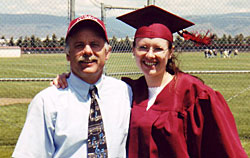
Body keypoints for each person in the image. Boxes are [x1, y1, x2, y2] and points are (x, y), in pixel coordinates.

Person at [52, 5, 248, 158]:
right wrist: (67, 79)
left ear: (170, 52)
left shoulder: (196, 95)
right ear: (133, 50)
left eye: (158, 49)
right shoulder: (128, 92)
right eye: (143, 47)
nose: (150, 55)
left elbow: (225, 148)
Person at [12, 15, 132, 158]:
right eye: (79, 45)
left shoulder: (124, 93)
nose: (87, 51)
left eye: (94, 44)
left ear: (107, 52)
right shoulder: (47, 102)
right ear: (68, 54)